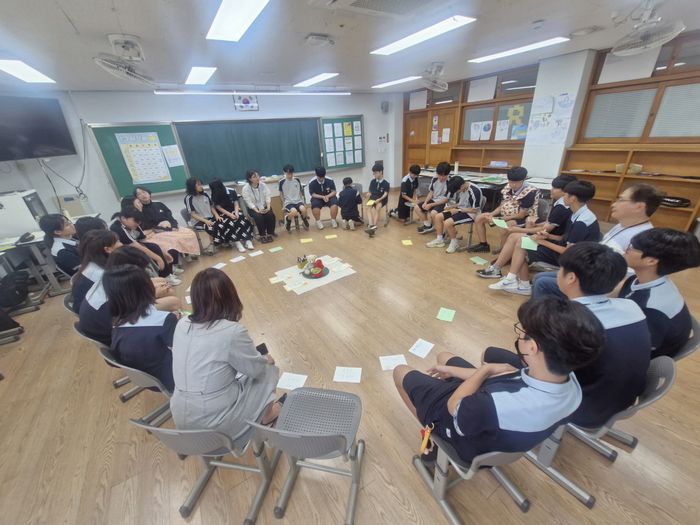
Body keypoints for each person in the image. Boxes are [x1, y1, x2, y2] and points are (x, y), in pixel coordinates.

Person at [393, 296, 603, 464]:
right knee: (444, 357)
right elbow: (500, 383)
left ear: (533, 347)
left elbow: (453, 405)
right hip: (491, 418)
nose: (520, 336)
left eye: (522, 332)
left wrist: (487, 369)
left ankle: (431, 438)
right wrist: (460, 371)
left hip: (464, 435)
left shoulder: (491, 404)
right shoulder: (570, 386)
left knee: (400, 371)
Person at [486, 242, 650, 429]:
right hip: (621, 401)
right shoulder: (631, 306)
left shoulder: (565, 324)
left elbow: (539, 366)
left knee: (491, 355)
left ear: (571, 278)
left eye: (560, 269)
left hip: (581, 406)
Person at [170, 268, 281, 447]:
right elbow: (257, 370)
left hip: (181, 419)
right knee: (269, 369)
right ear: (231, 296)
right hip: (216, 428)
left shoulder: (182, 323)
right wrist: (265, 360)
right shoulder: (232, 331)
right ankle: (267, 416)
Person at [532, 183, 662, 299]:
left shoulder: (642, 238)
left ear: (639, 207)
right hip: (589, 272)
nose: (614, 204)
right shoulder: (621, 225)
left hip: (597, 285)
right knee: (540, 277)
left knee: (542, 283)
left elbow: (629, 277)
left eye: (621, 200)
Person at [488, 180, 600, 296]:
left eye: (566, 195)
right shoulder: (578, 213)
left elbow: (569, 251)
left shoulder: (581, 222)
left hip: (574, 260)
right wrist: (548, 236)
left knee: (522, 244)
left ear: (573, 199)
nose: (563, 197)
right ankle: (517, 282)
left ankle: (517, 282)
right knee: (523, 241)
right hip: (567, 250)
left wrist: (542, 242)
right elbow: (564, 237)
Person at [620, 228, 700, 358]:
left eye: (632, 247)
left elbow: (633, 351)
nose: (625, 249)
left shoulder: (652, 309)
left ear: (651, 261)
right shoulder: (640, 279)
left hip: (638, 358)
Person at [78, 246, 182, 346]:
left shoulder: (111, 277)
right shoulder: (118, 289)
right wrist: (153, 294)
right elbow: (132, 307)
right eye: (142, 270)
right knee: (173, 302)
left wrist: (153, 291)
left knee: (163, 284)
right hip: (113, 334)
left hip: (113, 321)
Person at [477, 175, 576, 279]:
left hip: (548, 239)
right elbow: (549, 223)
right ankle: (498, 267)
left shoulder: (561, 208)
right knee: (514, 236)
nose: (551, 190)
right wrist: (535, 225)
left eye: (555, 188)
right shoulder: (560, 204)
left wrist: (521, 229)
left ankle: (502, 270)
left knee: (516, 238)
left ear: (566, 192)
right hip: (547, 236)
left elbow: (545, 229)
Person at [103, 264, 177, 392]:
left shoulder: (117, 321)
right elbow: (186, 350)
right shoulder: (164, 320)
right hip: (172, 380)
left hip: (148, 377)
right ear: (146, 288)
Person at [467, 166, 539, 254]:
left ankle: (503, 251)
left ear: (523, 180)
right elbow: (503, 205)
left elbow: (521, 215)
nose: (513, 185)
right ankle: (483, 245)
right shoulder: (508, 187)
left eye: (517, 182)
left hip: (522, 218)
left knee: (505, 227)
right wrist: (492, 214)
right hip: (506, 214)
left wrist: (501, 219)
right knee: (479, 218)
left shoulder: (530, 192)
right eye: (511, 182)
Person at [109, 207, 181, 285]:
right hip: (121, 251)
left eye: (138, 222)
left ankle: (167, 273)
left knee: (154, 246)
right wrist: (158, 258)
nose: (137, 224)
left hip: (132, 245)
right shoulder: (116, 227)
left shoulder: (134, 223)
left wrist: (162, 253)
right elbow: (134, 245)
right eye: (135, 221)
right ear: (123, 218)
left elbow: (143, 239)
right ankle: (163, 277)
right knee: (146, 254)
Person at [132, 186, 200, 264]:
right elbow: (146, 226)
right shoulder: (139, 210)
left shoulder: (159, 204)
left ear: (149, 193)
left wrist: (174, 226)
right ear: (137, 198)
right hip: (155, 232)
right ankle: (175, 262)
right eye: (139, 194)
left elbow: (170, 217)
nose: (143, 195)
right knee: (173, 240)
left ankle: (187, 253)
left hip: (169, 227)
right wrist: (162, 227)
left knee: (189, 233)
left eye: (144, 192)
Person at [184, 178, 243, 253]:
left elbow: (211, 207)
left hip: (210, 217)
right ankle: (214, 244)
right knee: (213, 227)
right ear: (192, 186)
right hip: (198, 220)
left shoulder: (205, 194)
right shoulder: (189, 198)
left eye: (201, 184)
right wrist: (205, 221)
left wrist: (217, 215)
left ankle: (225, 241)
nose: (201, 186)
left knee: (224, 222)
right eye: (198, 185)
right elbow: (193, 214)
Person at [426, 176, 483, 253]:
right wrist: (451, 207)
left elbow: (475, 209)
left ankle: (454, 242)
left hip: (471, 214)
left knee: (448, 223)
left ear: (461, 186)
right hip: (461, 209)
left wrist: (458, 210)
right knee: (438, 217)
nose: (458, 192)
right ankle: (439, 240)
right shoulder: (462, 188)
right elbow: (461, 203)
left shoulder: (474, 191)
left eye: (458, 190)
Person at [72, 230, 120, 313]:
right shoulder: (104, 274)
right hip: (104, 315)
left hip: (96, 311)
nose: (121, 244)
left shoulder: (90, 264)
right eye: (118, 241)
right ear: (107, 249)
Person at [209, 179, 255, 252]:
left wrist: (236, 213)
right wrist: (229, 214)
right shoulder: (214, 194)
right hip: (223, 214)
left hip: (234, 210)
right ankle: (238, 243)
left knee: (243, 219)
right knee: (230, 223)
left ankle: (248, 240)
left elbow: (236, 203)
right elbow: (218, 207)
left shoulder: (231, 191)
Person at [415, 162, 451, 234]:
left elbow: (446, 199)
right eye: (439, 175)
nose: (441, 178)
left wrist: (431, 205)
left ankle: (442, 232)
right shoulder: (435, 178)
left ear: (447, 174)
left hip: (444, 202)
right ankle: (428, 225)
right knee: (417, 208)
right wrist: (425, 202)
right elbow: (431, 192)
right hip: (434, 200)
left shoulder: (450, 182)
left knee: (434, 213)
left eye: (443, 176)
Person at [242, 170, 276, 243]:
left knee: (270, 214)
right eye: (254, 177)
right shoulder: (245, 189)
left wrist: (268, 207)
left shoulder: (263, 185)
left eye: (258, 176)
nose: (257, 178)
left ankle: (269, 234)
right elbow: (249, 202)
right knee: (258, 217)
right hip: (253, 208)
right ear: (250, 179)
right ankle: (262, 236)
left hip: (264, 206)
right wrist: (257, 211)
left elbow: (267, 196)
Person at [278, 164, 310, 232]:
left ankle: (304, 221)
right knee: (294, 212)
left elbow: (300, 191)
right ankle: (288, 222)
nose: (290, 175)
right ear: (284, 172)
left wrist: (303, 202)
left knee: (303, 209)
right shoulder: (281, 182)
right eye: (288, 173)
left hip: (298, 201)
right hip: (288, 202)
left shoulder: (297, 179)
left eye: (291, 173)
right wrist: (283, 204)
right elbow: (281, 194)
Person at [366, 163, 390, 233]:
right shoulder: (372, 181)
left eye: (375, 173)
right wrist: (368, 194)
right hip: (373, 198)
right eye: (373, 173)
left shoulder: (386, 183)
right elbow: (370, 191)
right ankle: (371, 225)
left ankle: (374, 226)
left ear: (381, 172)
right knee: (368, 207)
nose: (374, 174)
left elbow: (385, 194)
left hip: (381, 198)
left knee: (378, 207)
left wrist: (379, 199)